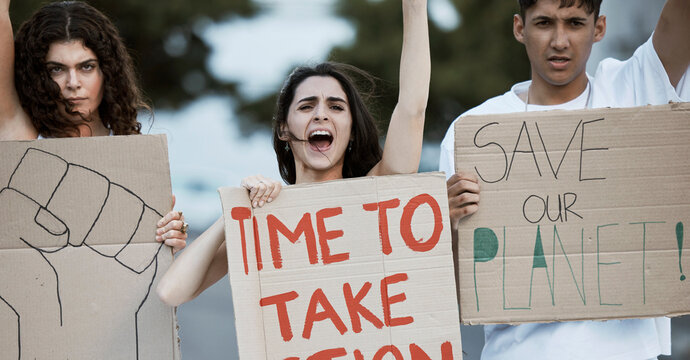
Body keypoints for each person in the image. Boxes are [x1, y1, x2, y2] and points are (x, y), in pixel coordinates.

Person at [439, 0, 689, 359]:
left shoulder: (632, 90)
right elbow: (443, 286)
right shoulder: (473, 133)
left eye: (574, 23)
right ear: (519, 28)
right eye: (543, 23)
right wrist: (444, 225)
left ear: (599, 28)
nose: (559, 40)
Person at [156, 0, 430, 308]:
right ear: (284, 129)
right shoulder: (263, 221)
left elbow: (412, 107)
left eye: (336, 107)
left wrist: (415, 8)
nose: (321, 115)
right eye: (306, 106)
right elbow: (171, 293)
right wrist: (234, 212)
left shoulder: (375, 197)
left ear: (352, 131)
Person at [0, 0, 186, 250]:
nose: (73, 82)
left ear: (107, 72)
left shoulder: (135, 158)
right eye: (56, 69)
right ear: (37, 76)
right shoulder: (22, 137)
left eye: (86, 67)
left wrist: (172, 236)